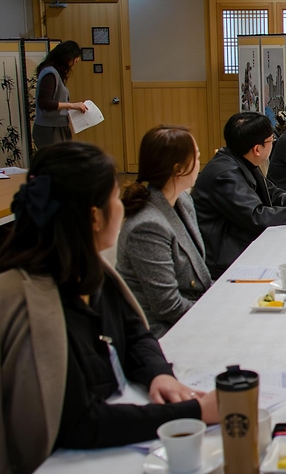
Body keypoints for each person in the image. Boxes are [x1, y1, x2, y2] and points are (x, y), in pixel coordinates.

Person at [0, 143, 219, 473]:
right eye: (115, 198)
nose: (123, 207)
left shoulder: (87, 269)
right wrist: (194, 413)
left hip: (118, 421)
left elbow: (136, 333)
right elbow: (77, 422)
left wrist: (157, 373)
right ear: (93, 216)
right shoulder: (31, 301)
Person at [192, 112, 286, 279]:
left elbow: (268, 189)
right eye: (270, 141)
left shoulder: (241, 159)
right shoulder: (226, 175)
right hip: (228, 258)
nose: (272, 144)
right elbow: (256, 216)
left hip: (242, 242)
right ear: (257, 149)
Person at [116, 126, 212, 338]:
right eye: (196, 157)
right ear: (178, 169)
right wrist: (217, 314)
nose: (200, 164)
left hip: (191, 310)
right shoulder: (147, 226)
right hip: (163, 333)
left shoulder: (183, 201)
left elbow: (200, 277)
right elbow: (167, 306)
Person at [33, 40, 89, 149]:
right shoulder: (50, 73)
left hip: (57, 126)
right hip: (49, 128)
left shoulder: (54, 73)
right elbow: (44, 103)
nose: (76, 61)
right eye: (75, 57)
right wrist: (72, 105)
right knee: (56, 163)